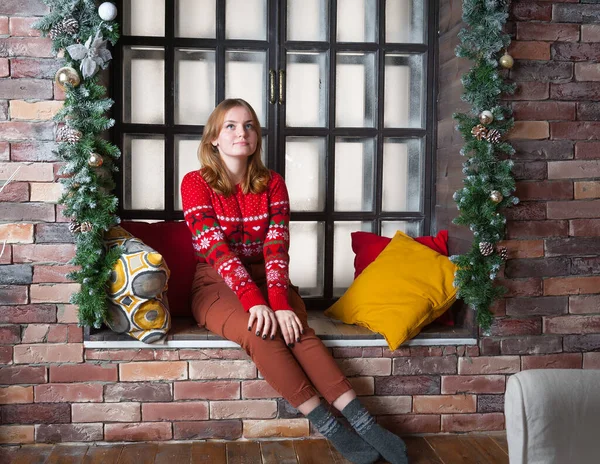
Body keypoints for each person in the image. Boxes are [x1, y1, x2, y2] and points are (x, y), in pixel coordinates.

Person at [181, 98, 408, 464]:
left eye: (250, 125)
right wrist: (256, 302)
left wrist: (280, 302)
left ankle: (364, 423)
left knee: (296, 329)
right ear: (213, 140)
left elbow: (276, 249)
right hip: (214, 283)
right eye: (231, 126)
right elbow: (216, 250)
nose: (243, 132)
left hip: (268, 278)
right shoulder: (195, 183)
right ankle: (332, 430)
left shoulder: (272, 184)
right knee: (260, 330)